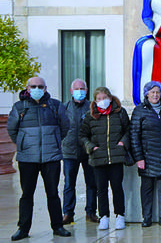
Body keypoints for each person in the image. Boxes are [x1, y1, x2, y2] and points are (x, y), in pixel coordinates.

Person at [7, 76, 72, 240]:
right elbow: (12, 130)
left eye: (40, 86)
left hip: (51, 158)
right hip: (27, 159)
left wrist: (54, 142)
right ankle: (23, 228)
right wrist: (23, 144)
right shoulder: (19, 107)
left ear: (45, 88)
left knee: (53, 193)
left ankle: (58, 226)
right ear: (28, 89)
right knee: (27, 194)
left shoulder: (55, 106)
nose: (37, 89)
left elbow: (65, 127)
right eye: (34, 86)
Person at [79, 87, 130, 231]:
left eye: (104, 98)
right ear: (95, 101)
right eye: (99, 99)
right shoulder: (90, 116)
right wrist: (91, 147)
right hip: (98, 158)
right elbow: (82, 136)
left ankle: (120, 215)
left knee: (117, 187)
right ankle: (104, 217)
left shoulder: (120, 113)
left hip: (116, 157)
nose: (102, 101)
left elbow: (128, 130)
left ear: (110, 97)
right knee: (101, 189)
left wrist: (122, 143)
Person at [130, 81, 161, 228]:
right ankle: (147, 218)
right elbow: (134, 136)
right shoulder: (139, 110)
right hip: (147, 156)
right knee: (147, 189)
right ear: (147, 94)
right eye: (152, 92)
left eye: (157, 92)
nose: (155, 95)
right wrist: (139, 158)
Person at [61, 79, 98, 225]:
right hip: (69, 152)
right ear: (71, 91)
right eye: (76, 88)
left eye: (82, 88)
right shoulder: (64, 108)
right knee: (69, 183)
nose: (79, 91)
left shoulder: (92, 108)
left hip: (88, 151)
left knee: (91, 183)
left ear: (87, 90)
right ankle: (68, 213)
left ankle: (91, 212)